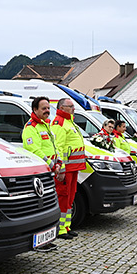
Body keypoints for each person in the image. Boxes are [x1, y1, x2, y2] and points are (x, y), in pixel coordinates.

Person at [22, 96, 62, 251]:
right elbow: (34, 150)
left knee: (48, 208)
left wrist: (58, 162)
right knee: (39, 209)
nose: (47, 111)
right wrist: (51, 164)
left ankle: (45, 239)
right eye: (44, 108)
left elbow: (54, 146)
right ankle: (36, 241)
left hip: (49, 173)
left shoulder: (46, 125)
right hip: (39, 175)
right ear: (35, 110)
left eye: (48, 108)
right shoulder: (31, 127)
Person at [51, 98, 86, 239]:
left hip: (74, 167)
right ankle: (60, 229)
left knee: (70, 198)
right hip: (66, 168)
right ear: (62, 107)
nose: (73, 108)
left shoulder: (69, 121)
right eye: (70, 106)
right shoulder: (59, 123)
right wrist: (61, 168)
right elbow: (58, 147)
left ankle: (66, 226)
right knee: (63, 197)